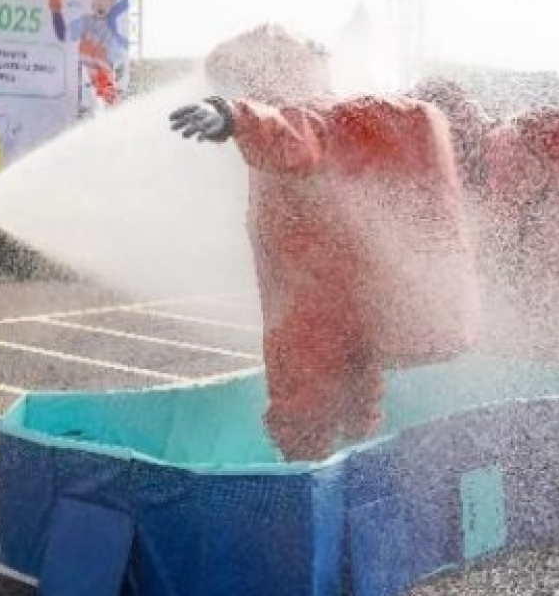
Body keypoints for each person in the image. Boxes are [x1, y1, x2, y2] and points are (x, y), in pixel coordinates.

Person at [169, 25, 481, 461]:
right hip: (352, 296)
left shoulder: (311, 116)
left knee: (304, 410)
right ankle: (357, 479)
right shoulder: (342, 113)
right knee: (358, 402)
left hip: (310, 303)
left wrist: (234, 117)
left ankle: (306, 491)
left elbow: (293, 139)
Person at [410, 79, 559, 363]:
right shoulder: (487, 155)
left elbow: (496, 235)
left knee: (534, 368)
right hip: (530, 317)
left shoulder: (507, 148)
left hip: (525, 328)